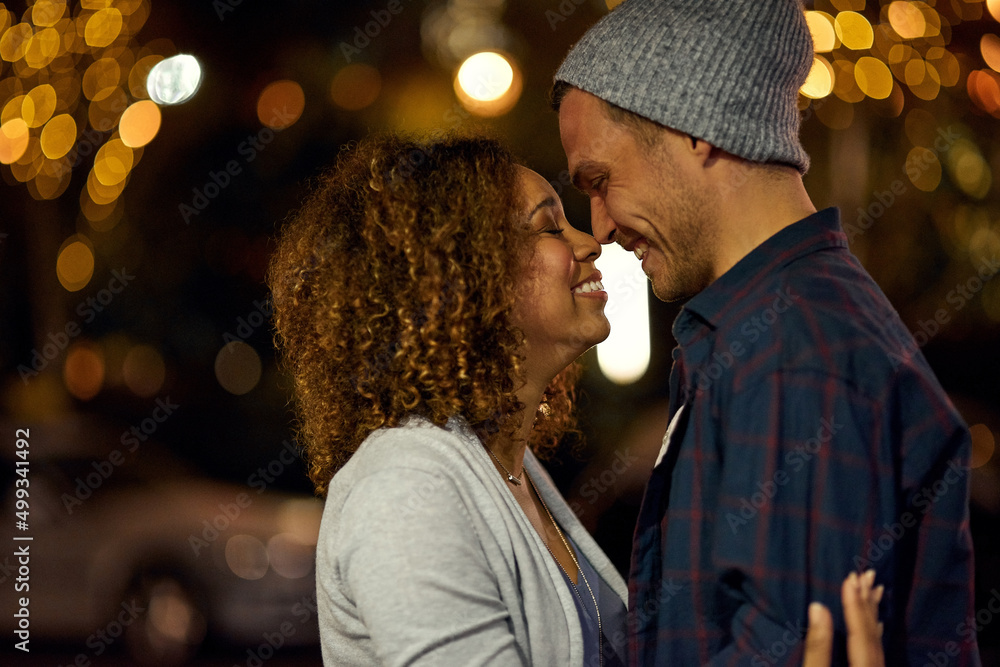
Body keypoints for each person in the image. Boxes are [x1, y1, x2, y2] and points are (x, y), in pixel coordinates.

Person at [267, 132, 885, 666]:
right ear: (460, 278)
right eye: (547, 226)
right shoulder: (405, 486)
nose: (591, 242)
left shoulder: (509, 470)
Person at [551, 0, 979, 665]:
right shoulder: (770, 330)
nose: (599, 226)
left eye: (601, 180)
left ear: (697, 125)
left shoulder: (792, 352)